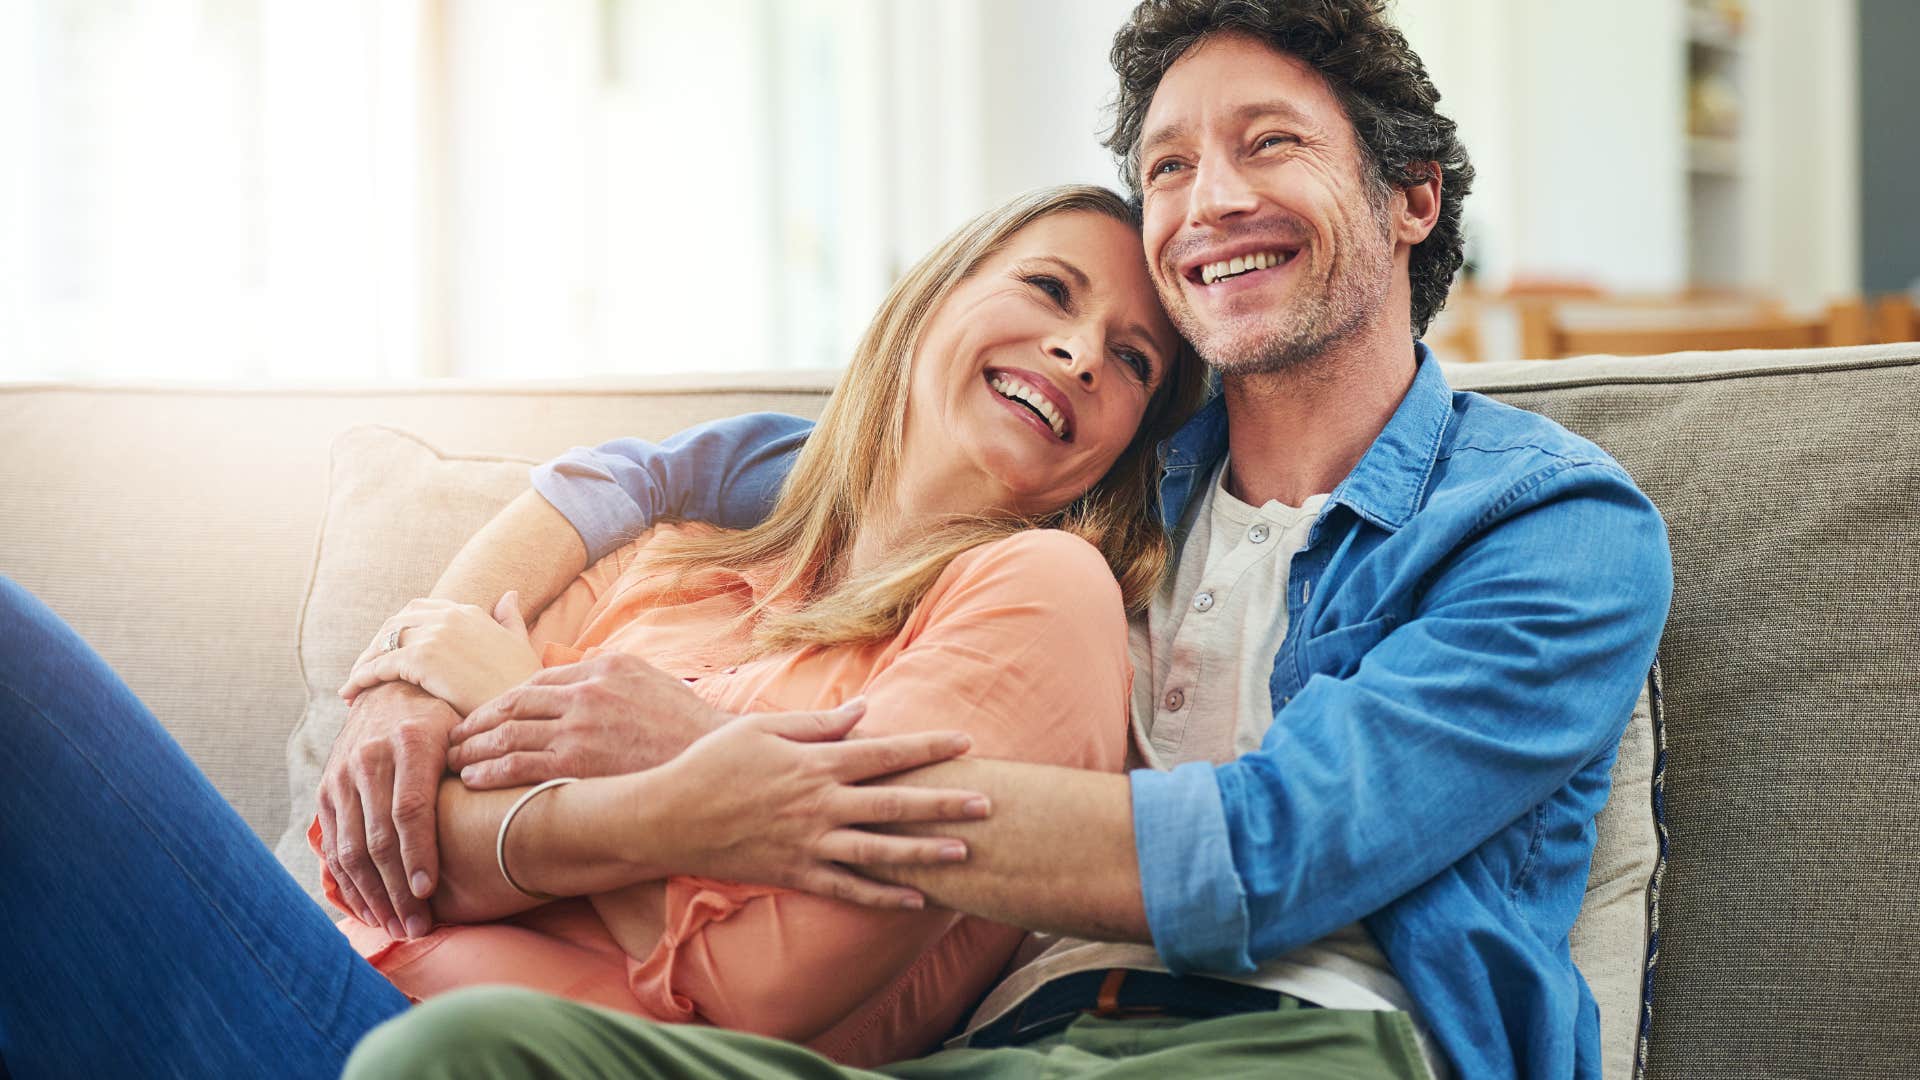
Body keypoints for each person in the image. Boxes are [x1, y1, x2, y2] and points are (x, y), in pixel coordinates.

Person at [334, 2, 1675, 1078]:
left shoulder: (1552, 527)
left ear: (1411, 200)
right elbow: (706, 467)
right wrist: (403, 671)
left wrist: (719, 769)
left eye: (1268, 144)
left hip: (1299, 1043)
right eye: (1168, 165)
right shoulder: (1106, 476)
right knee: (469, 1048)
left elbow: (1274, 854)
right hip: (995, 1045)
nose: (1207, 201)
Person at [0, 184, 1206, 1077]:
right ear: (937, 297)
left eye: (1134, 360)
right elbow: (402, 851)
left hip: (402, 1047)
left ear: (1124, 446)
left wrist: (626, 769)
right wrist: (697, 826)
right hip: (312, 960)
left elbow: (765, 988)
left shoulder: (1043, 597)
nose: (1077, 351)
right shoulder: (672, 561)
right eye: (1050, 290)